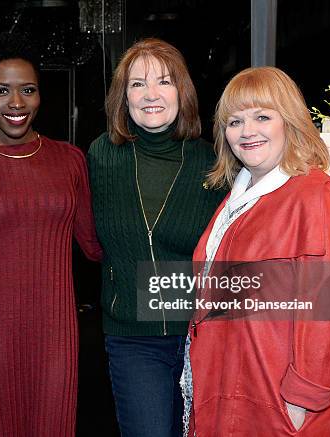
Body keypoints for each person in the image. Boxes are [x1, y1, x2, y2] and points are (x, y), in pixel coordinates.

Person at [184, 66, 330, 436]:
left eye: (262, 117)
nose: (247, 132)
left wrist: (303, 399)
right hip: (231, 386)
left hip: (278, 402)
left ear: (290, 122)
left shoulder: (315, 196)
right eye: (235, 121)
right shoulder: (238, 197)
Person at [0, 32, 102, 437]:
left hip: (57, 331)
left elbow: (96, 244)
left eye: (27, 90)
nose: (16, 104)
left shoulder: (70, 160)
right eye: (2, 91)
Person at [86, 38, 225, 437]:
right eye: (137, 84)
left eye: (164, 82)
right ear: (122, 96)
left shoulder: (214, 161)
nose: (151, 94)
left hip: (201, 335)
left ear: (182, 91)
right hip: (133, 340)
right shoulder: (100, 156)